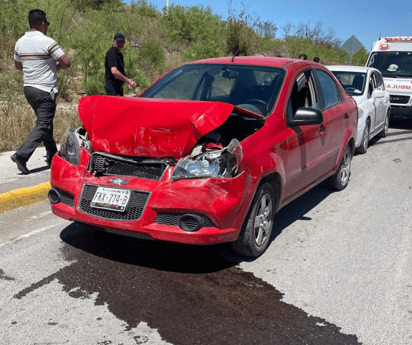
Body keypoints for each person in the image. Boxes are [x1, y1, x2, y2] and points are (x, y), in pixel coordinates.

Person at [12, 9, 71, 174]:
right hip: (45, 89)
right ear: (43, 24)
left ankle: (53, 155)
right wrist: (56, 66)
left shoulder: (19, 42)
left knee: (45, 123)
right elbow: (66, 63)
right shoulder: (47, 42)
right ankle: (22, 155)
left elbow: (18, 66)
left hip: (28, 89)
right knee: (43, 124)